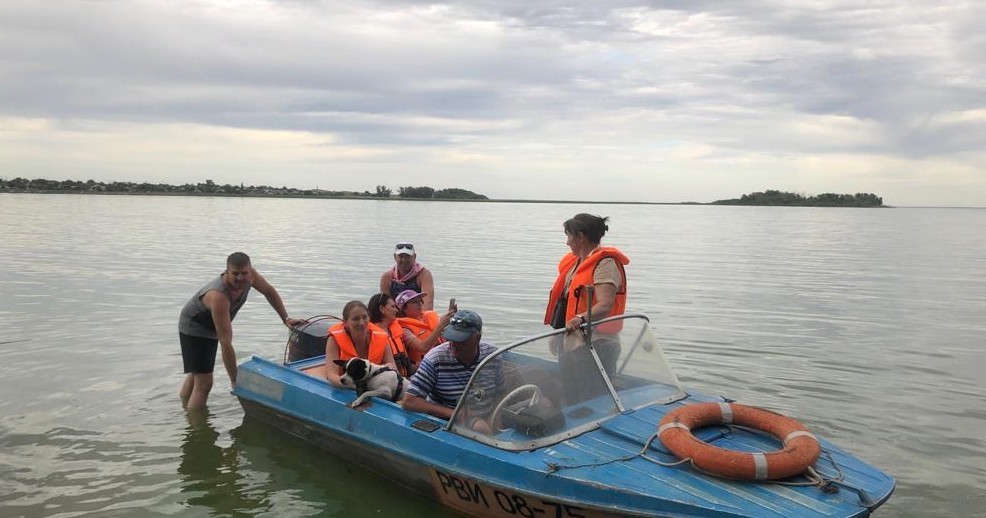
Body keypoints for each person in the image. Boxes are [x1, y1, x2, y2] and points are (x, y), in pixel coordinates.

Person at [179, 252, 301, 409]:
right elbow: (226, 343)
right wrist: (234, 379)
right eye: (235, 274)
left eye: (244, 273)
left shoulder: (251, 277)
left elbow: (269, 291)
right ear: (226, 272)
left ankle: (183, 406)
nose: (240, 278)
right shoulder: (219, 296)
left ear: (250, 271)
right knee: (204, 383)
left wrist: (286, 319)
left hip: (211, 325)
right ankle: (195, 429)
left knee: (197, 372)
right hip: (194, 327)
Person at [543, 213, 629, 403]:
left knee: (592, 399)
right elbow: (565, 302)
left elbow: (605, 305)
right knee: (571, 396)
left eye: (569, 236)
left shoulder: (605, 264)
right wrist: (556, 334)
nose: (567, 243)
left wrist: (580, 319)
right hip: (572, 344)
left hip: (596, 345)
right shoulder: (575, 264)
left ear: (580, 237)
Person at [401, 309, 502, 432]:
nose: (453, 344)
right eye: (451, 338)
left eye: (461, 340)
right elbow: (409, 401)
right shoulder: (435, 359)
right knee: (480, 428)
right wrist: (454, 413)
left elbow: (501, 392)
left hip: (488, 414)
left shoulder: (493, 356)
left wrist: (496, 416)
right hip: (451, 421)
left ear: (477, 338)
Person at [324, 300, 398, 387]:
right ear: (345, 323)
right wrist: (355, 387)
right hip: (345, 387)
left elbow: (393, 367)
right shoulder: (334, 340)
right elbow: (332, 375)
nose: (362, 323)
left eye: (364, 317)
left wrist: (389, 368)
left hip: (376, 388)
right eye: (355, 319)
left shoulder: (381, 337)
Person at [395, 289, 454, 365]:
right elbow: (422, 348)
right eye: (414, 302)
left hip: (445, 357)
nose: (419, 304)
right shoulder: (404, 329)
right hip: (426, 365)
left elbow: (443, 336)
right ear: (403, 308)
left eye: (420, 301)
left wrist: (451, 321)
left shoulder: (427, 318)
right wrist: (440, 326)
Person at [367, 292, 414, 377]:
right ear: (381, 308)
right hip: (385, 381)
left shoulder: (396, 329)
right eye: (393, 306)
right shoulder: (370, 335)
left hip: (406, 378)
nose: (396, 310)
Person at [380, 242, 435, 310]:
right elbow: (386, 306)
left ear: (414, 257)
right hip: (395, 316)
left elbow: (428, 304)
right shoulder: (387, 277)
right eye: (401, 256)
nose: (404, 260)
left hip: (418, 316)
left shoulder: (423, 275)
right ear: (395, 257)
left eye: (407, 257)